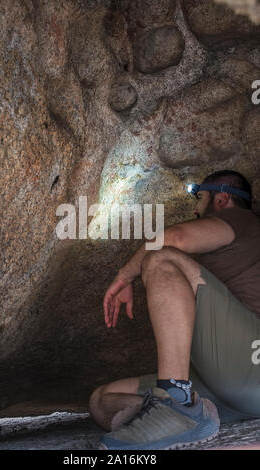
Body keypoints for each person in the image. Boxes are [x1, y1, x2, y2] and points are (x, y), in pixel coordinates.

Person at [89, 169, 260, 450]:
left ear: (222, 199)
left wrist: (125, 277)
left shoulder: (241, 219)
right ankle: (174, 417)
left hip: (252, 361)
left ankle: (177, 404)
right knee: (103, 398)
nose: (195, 208)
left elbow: (175, 238)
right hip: (232, 393)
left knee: (161, 259)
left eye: (200, 197)